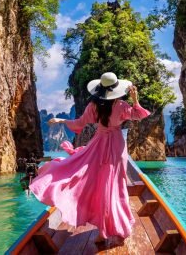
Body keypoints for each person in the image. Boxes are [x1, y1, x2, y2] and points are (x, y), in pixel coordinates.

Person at [28, 72, 151, 243]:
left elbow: (79, 123)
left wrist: (61, 120)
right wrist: (135, 99)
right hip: (116, 147)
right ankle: (108, 228)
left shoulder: (94, 106)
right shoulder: (122, 106)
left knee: (90, 179)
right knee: (114, 186)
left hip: (98, 145)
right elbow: (139, 115)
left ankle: (102, 229)